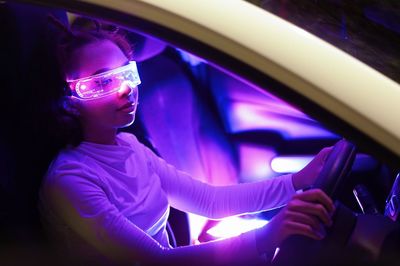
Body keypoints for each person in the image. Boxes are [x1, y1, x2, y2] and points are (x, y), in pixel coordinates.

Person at [40, 17, 335, 266]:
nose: (126, 89)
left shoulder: (131, 147)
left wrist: (297, 181)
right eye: (102, 82)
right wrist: (268, 235)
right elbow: (155, 260)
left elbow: (211, 201)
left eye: (127, 73)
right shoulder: (70, 180)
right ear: (69, 100)